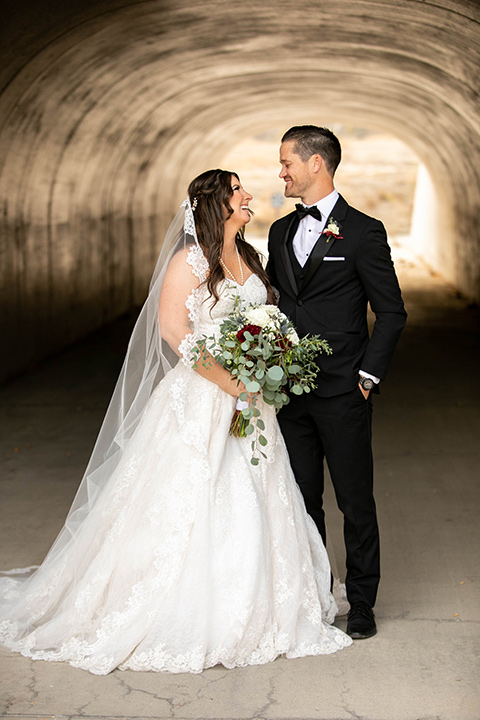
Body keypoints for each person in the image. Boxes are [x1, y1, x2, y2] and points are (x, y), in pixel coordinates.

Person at [0, 169, 352, 675]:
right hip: (202, 398)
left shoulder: (250, 257)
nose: (248, 195)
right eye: (238, 190)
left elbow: (262, 318)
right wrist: (231, 382)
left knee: (259, 491)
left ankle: (266, 604)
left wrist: (270, 361)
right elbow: (174, 331)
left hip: (254, 402)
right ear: (215, 203)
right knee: (189, 498)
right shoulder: (189, 261)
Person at [267, 126, 407, 640]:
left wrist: (367, 377)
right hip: (288, 394)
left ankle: (363, 602)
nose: (281, 171)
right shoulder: (280, 232)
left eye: (287, 162)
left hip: (345, 391)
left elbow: (391, 311)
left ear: (316, 164)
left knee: (354, 500)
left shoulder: (365, 232)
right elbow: (279, 303)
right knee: (302, 499)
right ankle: (318, 592)